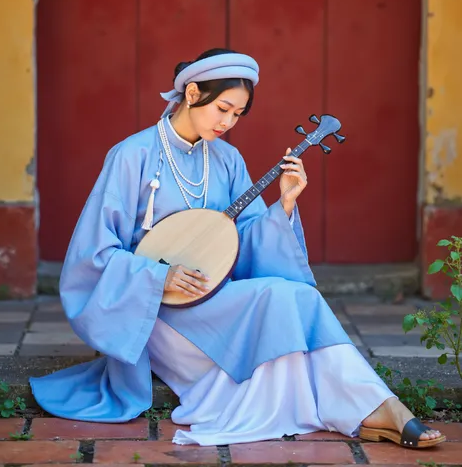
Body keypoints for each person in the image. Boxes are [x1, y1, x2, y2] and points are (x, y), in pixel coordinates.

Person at [30, 48, 445, 448]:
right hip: (155, 311)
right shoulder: (131, 156)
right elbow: (93, 257)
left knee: (296, 296)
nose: (228, 122)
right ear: (192, 94)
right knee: (282, 301)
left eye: (238, 114)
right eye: (222, 108)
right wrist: (159, 275)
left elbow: (244, 241)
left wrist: (284, 203)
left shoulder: (226, 159)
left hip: (214, 298)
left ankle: (380, 406)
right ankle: (371, 410)